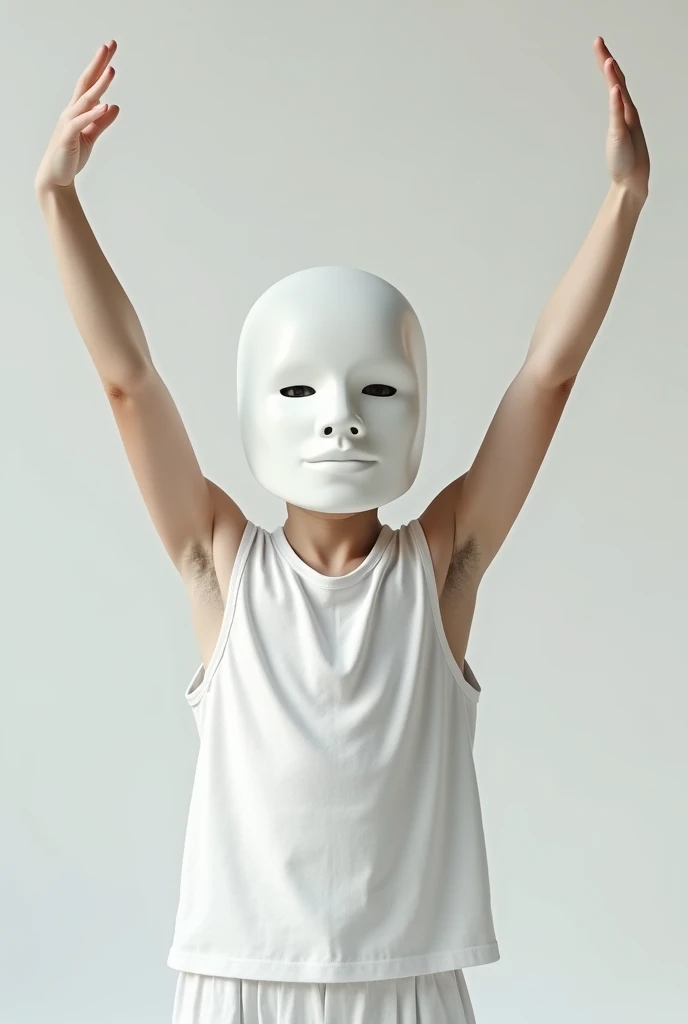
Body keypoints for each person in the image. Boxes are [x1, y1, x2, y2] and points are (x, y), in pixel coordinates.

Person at [35, 35, 649, 1024]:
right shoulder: (220, 564)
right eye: (301, 388)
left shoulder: (441, 564)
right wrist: (57, 201)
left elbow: (545, 376)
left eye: (373, 387)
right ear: (253, 408)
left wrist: (622, 200)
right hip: (240, 978)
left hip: (404, 981)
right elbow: (129, 379)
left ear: (413, 403)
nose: (340, 417)